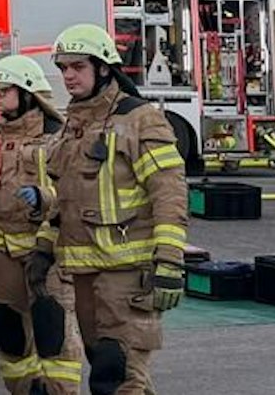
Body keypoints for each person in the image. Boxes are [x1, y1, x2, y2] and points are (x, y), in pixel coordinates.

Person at [37, 24, 188, 395]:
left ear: (104, 68)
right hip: (85, 273)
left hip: (127, 273)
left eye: (77, 66)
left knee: (117, 376)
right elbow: (66, 197)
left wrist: (169, 261)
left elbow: (168, 191)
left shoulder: (141, 119)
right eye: (63, 68)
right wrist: (44, 245)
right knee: (111, 372)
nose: (68, 76)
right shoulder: (73, 124)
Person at [0, 55, 83, 395]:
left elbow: (77, 191)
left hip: (47, 249)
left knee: (52, 331)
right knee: (8, 331)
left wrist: (45, 197)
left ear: (26, 92)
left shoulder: (57, 137)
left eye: (3, 91)